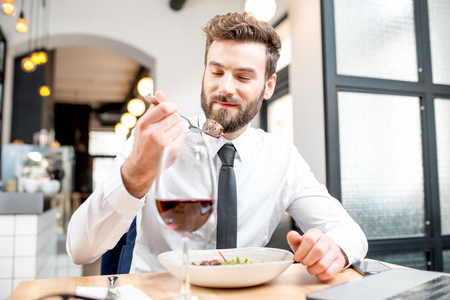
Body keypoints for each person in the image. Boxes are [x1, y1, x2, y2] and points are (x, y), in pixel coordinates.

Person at [67, 12, 368, 281]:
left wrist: (335, 249)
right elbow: (80, 249)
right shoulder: (153, 140)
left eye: (243, 76)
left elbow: (350, 232)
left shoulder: (282, 159)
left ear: (269, 86)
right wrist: (136, 172)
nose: (225, 87)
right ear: (204, 74)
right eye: (216, 71)